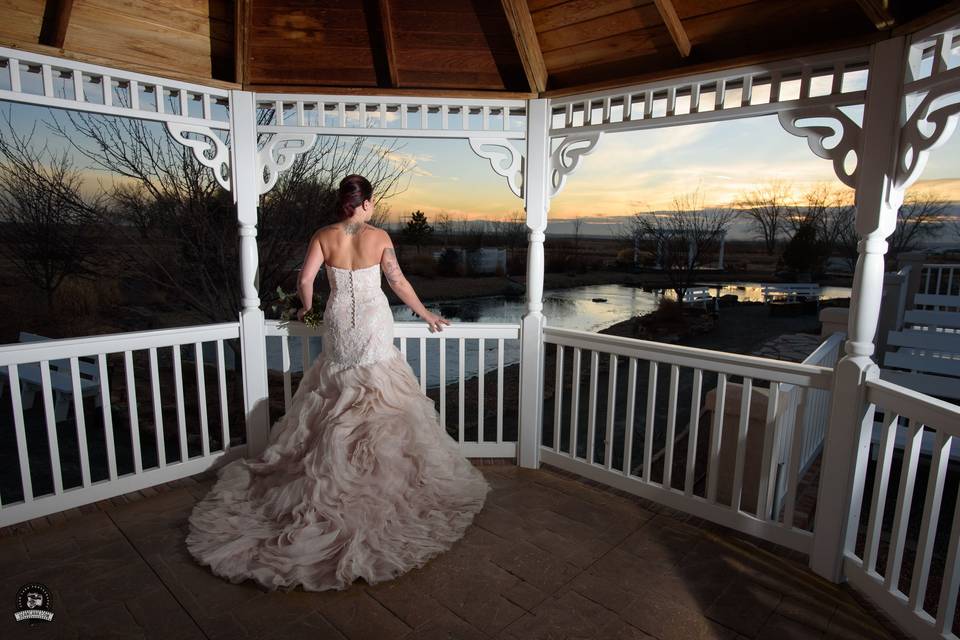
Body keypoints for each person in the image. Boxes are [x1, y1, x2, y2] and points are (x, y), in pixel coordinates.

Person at [185, 174, 491, 592]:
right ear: (366, 203)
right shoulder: (380, 236)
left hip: (338, 324)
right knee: (380, 395)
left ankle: (329, 478)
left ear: (342, 203)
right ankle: (379, 485)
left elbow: (305, 281)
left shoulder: (324, 235)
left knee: (333, 393)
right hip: (372, 323)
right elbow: (397, 282)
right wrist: (427, 315)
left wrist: (307, 311)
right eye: (371, 202)